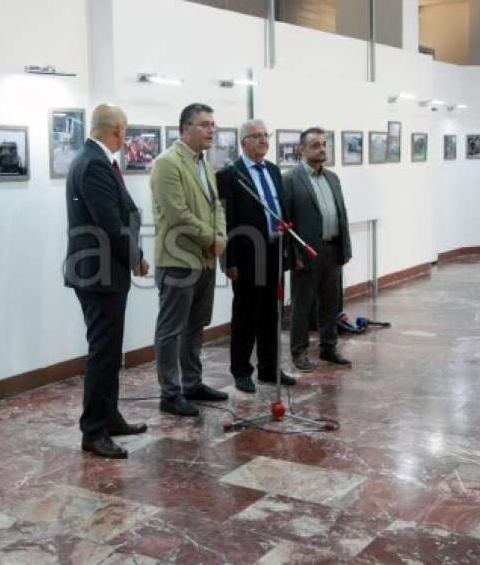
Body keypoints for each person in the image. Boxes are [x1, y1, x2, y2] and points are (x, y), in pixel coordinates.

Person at [64, 103, 149, 459]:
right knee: (103, 351)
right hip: (100, 273)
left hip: (102, 271)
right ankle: (94, 431)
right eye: (125, 131)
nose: (125, 138)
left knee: (111, 349)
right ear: (116, 131)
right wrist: (137, 258)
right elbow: (110, 223)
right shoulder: (95, 163)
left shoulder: (91, 159)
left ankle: (109, 416)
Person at [150, 103, 228, 416]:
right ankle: (170, 393)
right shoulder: (168, 163)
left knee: (196, 325)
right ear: (185, 129)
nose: (211, 130)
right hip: (177, 260)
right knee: (171, 329)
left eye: (213, 124)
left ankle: (192, 384)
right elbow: (178, 215)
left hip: (205, 258)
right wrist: (213, 238)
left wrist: (219, 236)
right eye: (204, 124)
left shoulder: (205, 164)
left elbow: (216, 206)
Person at [216, 120, 297, 393]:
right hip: (248, 255)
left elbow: (283, 212)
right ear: (243, 143)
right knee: (246, 315)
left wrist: (290, 251)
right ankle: (241, 370)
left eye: (266, 135)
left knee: (272, 314)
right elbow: (224, 221)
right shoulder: (230, 175)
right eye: (257, 136)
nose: (263, 140)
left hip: (275, 252)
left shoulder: (274, 170)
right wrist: (228, 260)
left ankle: (269, 368)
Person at [283, 127, 352, 372]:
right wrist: (294, 256)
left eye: (324, 144)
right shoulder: (290, 179)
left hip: (332, 249)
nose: (322, 149)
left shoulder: (333, 178)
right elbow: (286, 222)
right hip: (307, 253)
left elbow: (341, 213)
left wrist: (345, 248)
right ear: (302, 149)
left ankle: (328, 347)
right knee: (302, 305)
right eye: (315, 145)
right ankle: (299, 352)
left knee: (331, 302)